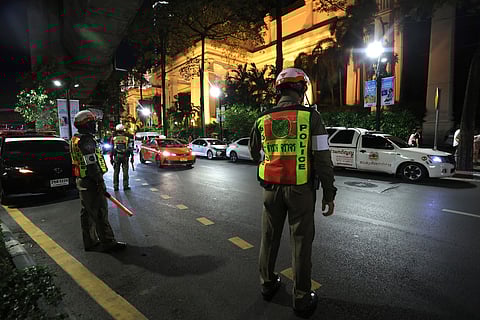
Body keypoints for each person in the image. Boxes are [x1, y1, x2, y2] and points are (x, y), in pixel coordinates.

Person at [249, 68, 337, 317]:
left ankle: (267, 284)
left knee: (269, 237)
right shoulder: (312, 117)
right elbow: (322, 159)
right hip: (301, 191)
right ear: (302, 90)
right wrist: (329, 193)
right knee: (300, 243)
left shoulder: (262, 119)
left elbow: (254, 152)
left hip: (270, 190)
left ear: (280, 90)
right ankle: (301, 297)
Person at [70, 110, 126, 252]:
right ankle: (108, 242)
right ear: (86, 124)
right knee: (100, 212)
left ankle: (90, 241)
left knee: (87, 213)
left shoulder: (75, 138)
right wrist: (99, 182)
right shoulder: (86, 141)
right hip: (91, 181)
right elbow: (92, 164)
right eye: (92, 123)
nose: (95, 125)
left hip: (82, 180)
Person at [110, 124, 134, 191]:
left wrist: (111, 158)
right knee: (125, 172)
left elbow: (111, 149)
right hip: (125, 157)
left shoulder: (113, 139)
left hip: (117, 157)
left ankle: (115, 186)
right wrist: (132, 157)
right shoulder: (127, 138)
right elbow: (130, 148)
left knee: (116, 172)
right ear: (123, 131)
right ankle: (125, 186)